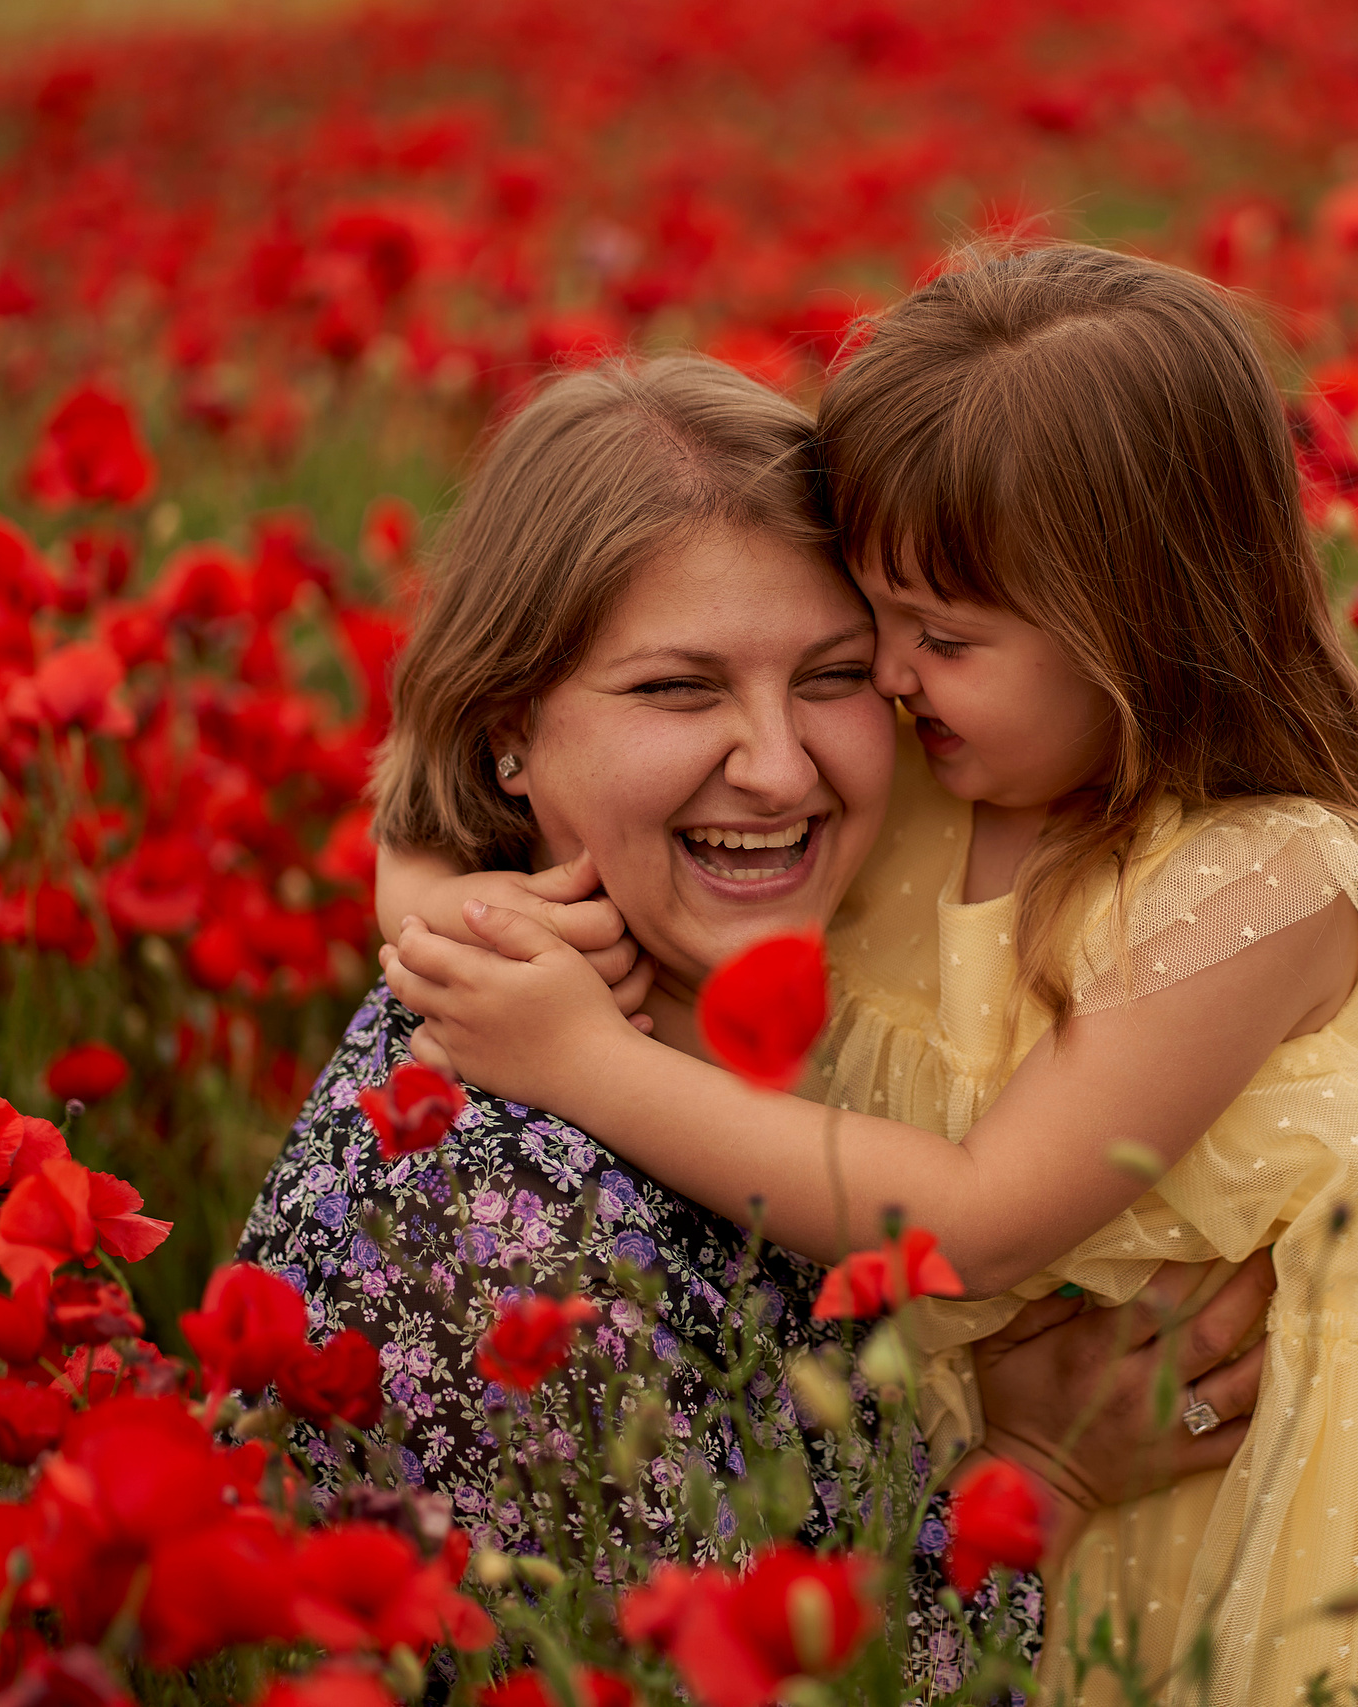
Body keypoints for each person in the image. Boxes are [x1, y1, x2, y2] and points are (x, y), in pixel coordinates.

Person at [381, 246, 1358, 1707]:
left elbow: (973, 1220)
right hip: (1061, 1493)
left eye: (940, 639)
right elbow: (447, 787)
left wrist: (582, 1063)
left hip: (1294, 1503)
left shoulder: (1256, 886)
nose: (890, 681)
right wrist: (460, 916)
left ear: (1134, 631)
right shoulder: (943, 779)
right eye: (876, 631)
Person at [238, 353, 1271, 1691]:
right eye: (678, 690)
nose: (780, 766)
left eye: (836, 676)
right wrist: (1048, 1479)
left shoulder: (701, 969)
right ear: (509, 727)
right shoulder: (517, 1245)